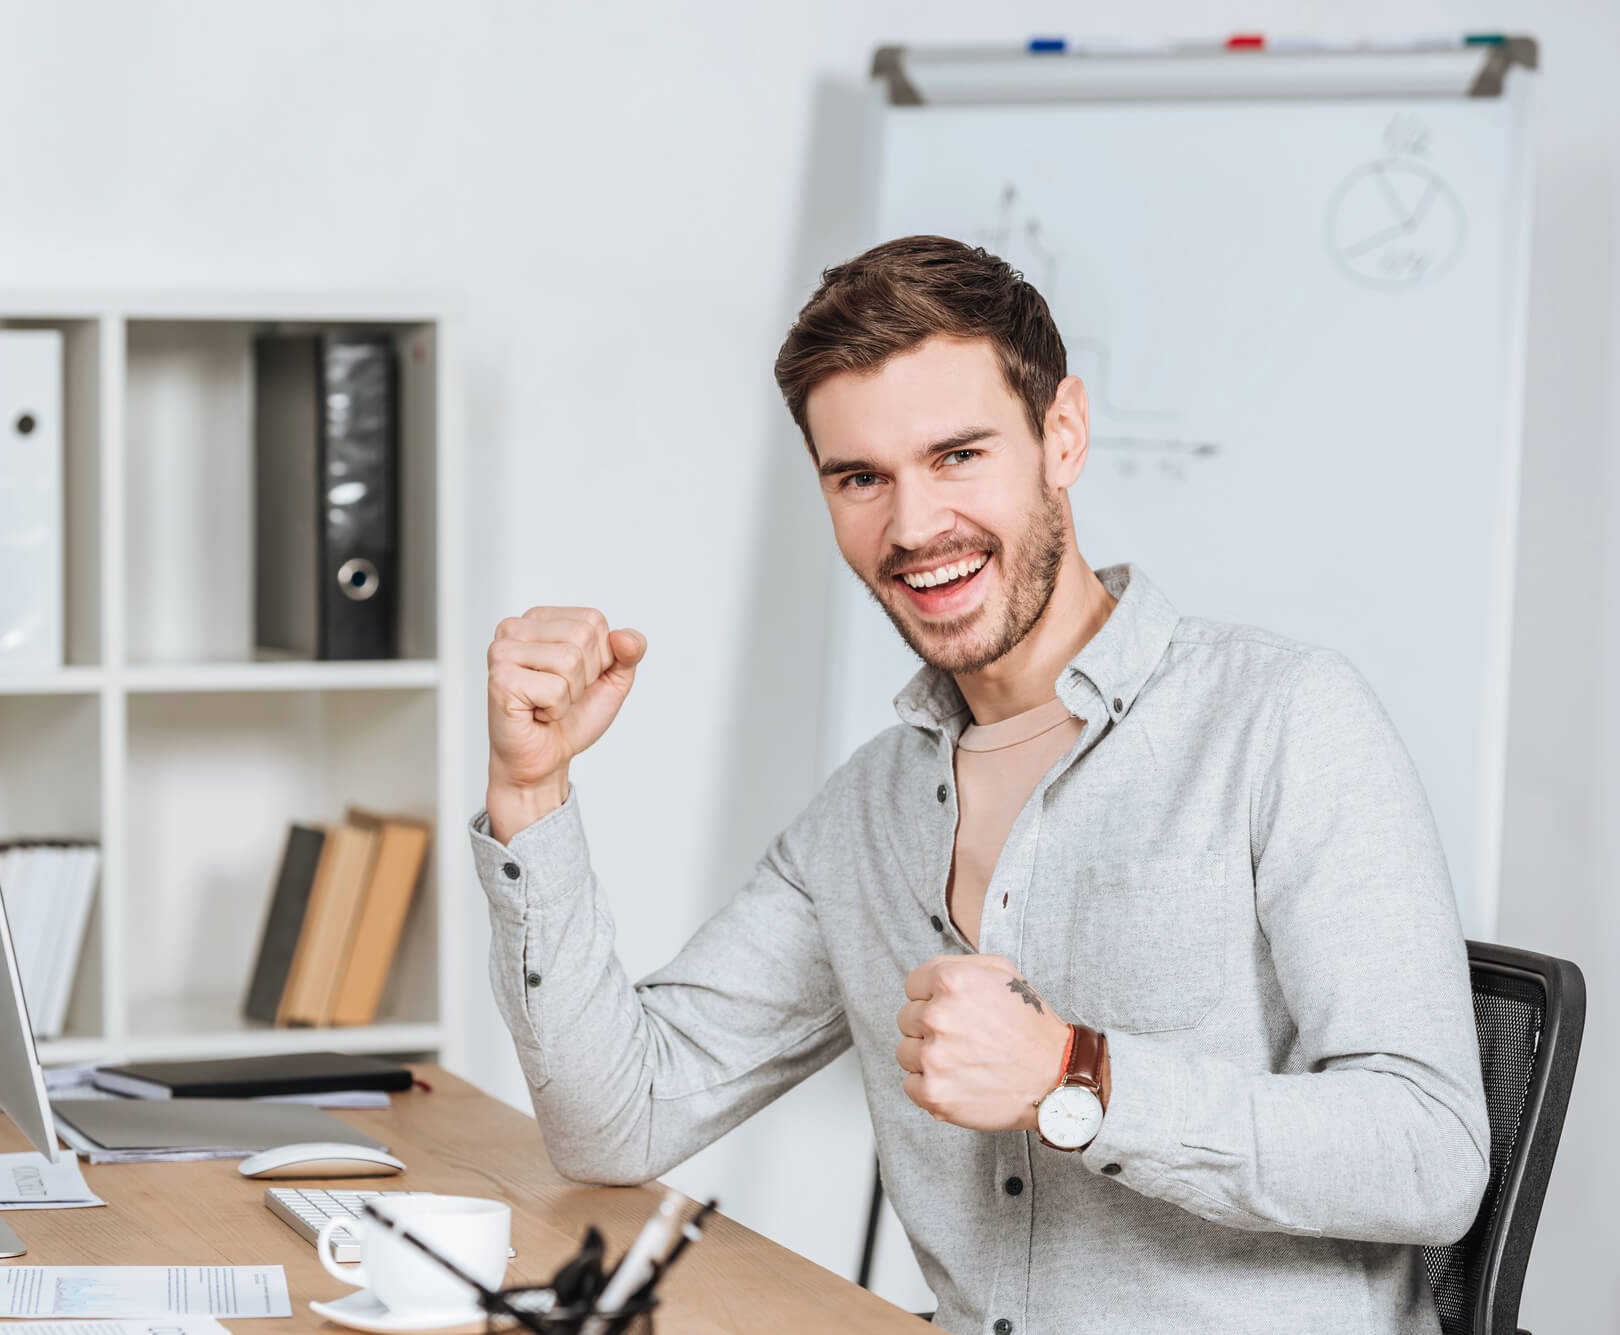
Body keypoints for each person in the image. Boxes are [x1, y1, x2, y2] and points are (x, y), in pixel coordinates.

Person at [468, 235, 1489, 1334]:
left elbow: (1428, 1157)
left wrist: (1075, 1074)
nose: (910, 528)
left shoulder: (1282, 722)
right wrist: (532, 790)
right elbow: (618, 1121)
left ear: (1061, 436)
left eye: (956, 456)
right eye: (860, 478)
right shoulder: (866, 812)